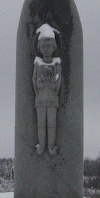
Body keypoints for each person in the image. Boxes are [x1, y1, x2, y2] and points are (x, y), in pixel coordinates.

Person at [32, 23, 61, 156]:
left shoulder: (57, 64)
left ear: (54, 46)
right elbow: (34, 82)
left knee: (52, 125)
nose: (46, 48)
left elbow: (58, 84)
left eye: (49, 45)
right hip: (40, 99)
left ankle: (51, 146)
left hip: (52, 100)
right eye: (43, 46)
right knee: (41, 125)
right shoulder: (37, 64)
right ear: (39, 47)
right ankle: (41, 145)